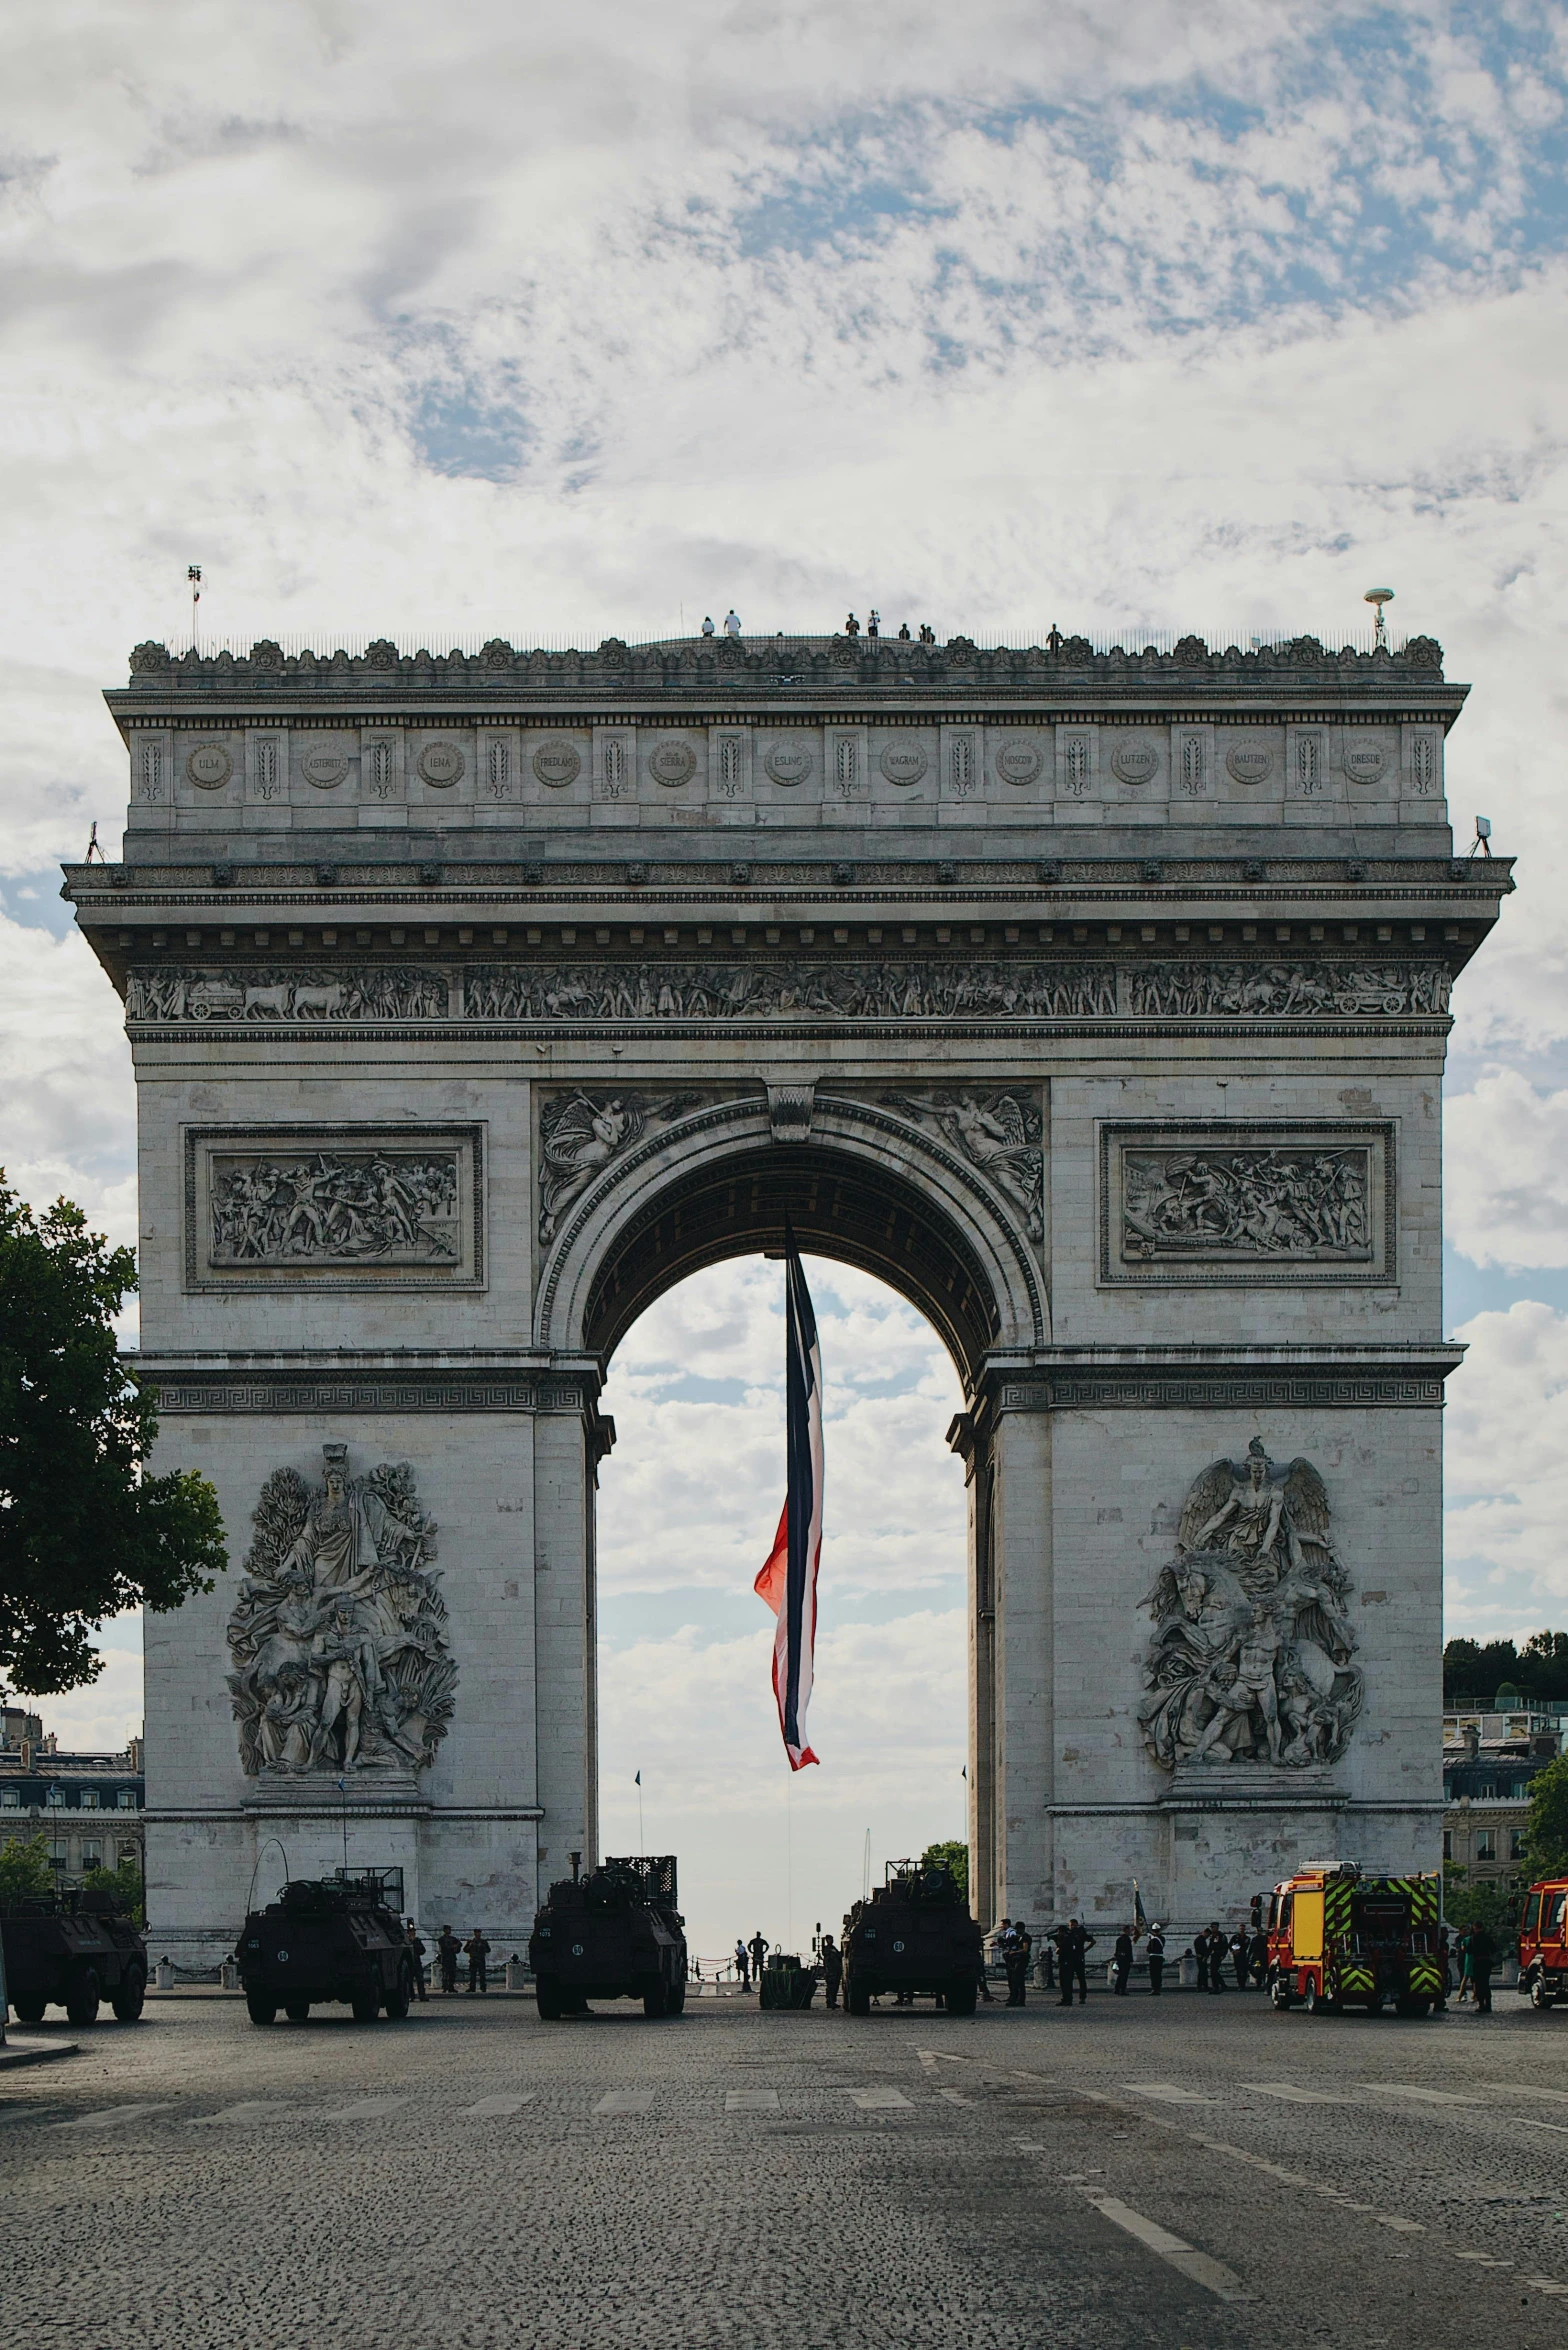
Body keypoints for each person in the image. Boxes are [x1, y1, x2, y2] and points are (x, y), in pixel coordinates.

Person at [1059, 1918, 1094, 2006]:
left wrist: (1085, 1950)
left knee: (1079, 1979)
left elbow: (1093, 1941)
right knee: (1074, 1979)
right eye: (1071, 1926)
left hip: (1076, 1959)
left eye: (1073, 1925)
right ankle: (1073, 1997)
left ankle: (1081, 1997)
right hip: (1074, 1958)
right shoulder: (1074, 1934)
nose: (1072, 1927)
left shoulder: (1079, 1933)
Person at [1468, 1921, 1496, 2015]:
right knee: (1486, 1983)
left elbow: (1469, 1951)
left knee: (1479, 1984)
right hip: (1487, 1962)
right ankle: (1488, 2004)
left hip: (1478, 1962)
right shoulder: (1488, 1937)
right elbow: (1493, 1949)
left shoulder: (1473, 1938)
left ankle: (1481, 2005)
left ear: (1474, 1927)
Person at [1005, 1921, 1031, 2007]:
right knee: (1016, 1980)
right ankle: (1017, 1999)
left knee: (1018, 1980)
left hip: (1022, 1960)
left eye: (1017, 1929)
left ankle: (1020, 2000)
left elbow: (1025, 1949)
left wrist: (1014, 1952)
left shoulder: (1025, 1937)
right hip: (1018, 1960)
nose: (1016, 1931)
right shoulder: (1019, 1937)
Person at [405, 1918, 428, 2002]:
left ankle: (422, 1995)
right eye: (411, 1932)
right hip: (409, 1964)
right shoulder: (406, 1941)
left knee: (420, 1980)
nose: (412, 1933)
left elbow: (422, 1950)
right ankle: (411, 1996)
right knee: (410, 1981)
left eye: (413, 1932)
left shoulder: (417, 1941)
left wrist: (415, 1944)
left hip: (417, 1963)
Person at [464, 1926, 491, 1994]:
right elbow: (465, 1950)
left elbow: (488, 1950)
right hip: (473, 1960)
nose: (478, 1934)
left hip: (481, 1959)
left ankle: (483, 1987)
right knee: (472, 1975)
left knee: (482, 1974)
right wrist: (470, 1945)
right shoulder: (470, 1941)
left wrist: (482, 1946)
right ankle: (472, 1987)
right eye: (477, 1933)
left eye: (479, 1933)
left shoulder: (483, 1942)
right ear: (474, 1933)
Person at [820, 1934, 843, 2010]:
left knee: (835, 1987)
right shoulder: (827, 1949)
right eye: (830, 1939)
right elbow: (827, 1956)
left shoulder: (833, 1948)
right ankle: (830, 2001)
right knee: (831, 1987)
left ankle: (832, 2001)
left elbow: (839, 1956)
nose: (831, 1941)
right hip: (830, 1971)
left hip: (836, 1970)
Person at [437, 1925, 461, 1994]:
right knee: (445, 1973)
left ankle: (451, 1987)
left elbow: (459, 1943)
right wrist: (452, 1947)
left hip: (452, 1958)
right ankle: (445, 1987)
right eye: (448, 1929)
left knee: (452, 1974)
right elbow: (444, 1948)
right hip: (445, 1958)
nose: (449, 1931)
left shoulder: (453, 1938)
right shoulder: (441, 1939)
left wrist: (456, 1946)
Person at [1112, 1926, 1134, 1996]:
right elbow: (1128, 1951)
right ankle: (1122, 1990)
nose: (1130, 1932)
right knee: (1124, 1975)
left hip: (1120, 1959)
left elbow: (1117, 1950)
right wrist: (1130, 1959)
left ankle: (1117, 1989)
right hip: (1125, 1960)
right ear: (1126, 1930)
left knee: (1120, 1975)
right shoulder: (1127, 1939)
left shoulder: (1119, 1939)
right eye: (1129, 1930)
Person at [1146, 1922, 1166, 1996]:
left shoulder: (1153, 1939)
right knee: (1158, 1974)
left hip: (1153, 1958)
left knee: (1154, 1974)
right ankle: (1157, 1988)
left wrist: (1152, 1939)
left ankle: (1155, 1988)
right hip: (1160, 1957)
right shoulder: (1162, 1938)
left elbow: (1149, 1949)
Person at [1206, 1922, 1226, 1993]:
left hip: (1218, 1955)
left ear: (1217, 1927)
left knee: (1214, 1971)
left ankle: (1217, 1987)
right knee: (1213, 1972)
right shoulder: (1212, 1936)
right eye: (1211, 1927)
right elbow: (1210, 1947)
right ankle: (1220, 1985)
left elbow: (1225, 1946)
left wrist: (1223, 1955)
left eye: (1213, 1927)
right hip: (1213, 1956)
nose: (1212, 1928)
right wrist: (1206, 1955)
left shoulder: (1221, 1936)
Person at [1435, 1925, 1451, 2012]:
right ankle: (1439, 2004)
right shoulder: (1441, 1944)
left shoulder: (1444, 1944)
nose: (1446, 1934)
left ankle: (1439, 2003)